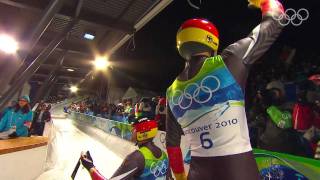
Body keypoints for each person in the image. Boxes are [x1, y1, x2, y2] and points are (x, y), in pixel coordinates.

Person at [165, 0, 285, 179]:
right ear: (211, 42)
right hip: (239, 171)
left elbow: (172, 146)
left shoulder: (171, 92)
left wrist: (181, 177)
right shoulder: (228, 61)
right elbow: (276, 20)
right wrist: (266, 2)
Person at [80, 118, 171, 180]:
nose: (131, 131)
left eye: (134, 129)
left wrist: (90, 167)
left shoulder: (136, 157)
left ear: (142, 133)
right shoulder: (164, 155)